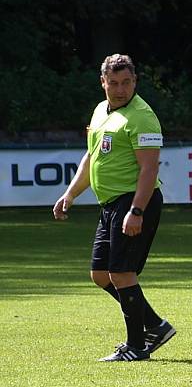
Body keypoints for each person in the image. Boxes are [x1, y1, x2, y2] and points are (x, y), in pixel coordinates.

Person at [53, 53, 175, 362]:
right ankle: (155, 326)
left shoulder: (142, 116)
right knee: (100, 274)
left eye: (127, 82)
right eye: (114, 83)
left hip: (134, 200)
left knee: (121, 273)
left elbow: (149, 169)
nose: (121, 89)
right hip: (110, 204)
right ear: (103, 82)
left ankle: (136, 346)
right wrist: (70, 194)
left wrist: (136, 211)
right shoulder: (99, 112)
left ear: (135, 81)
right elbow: (92, 157)